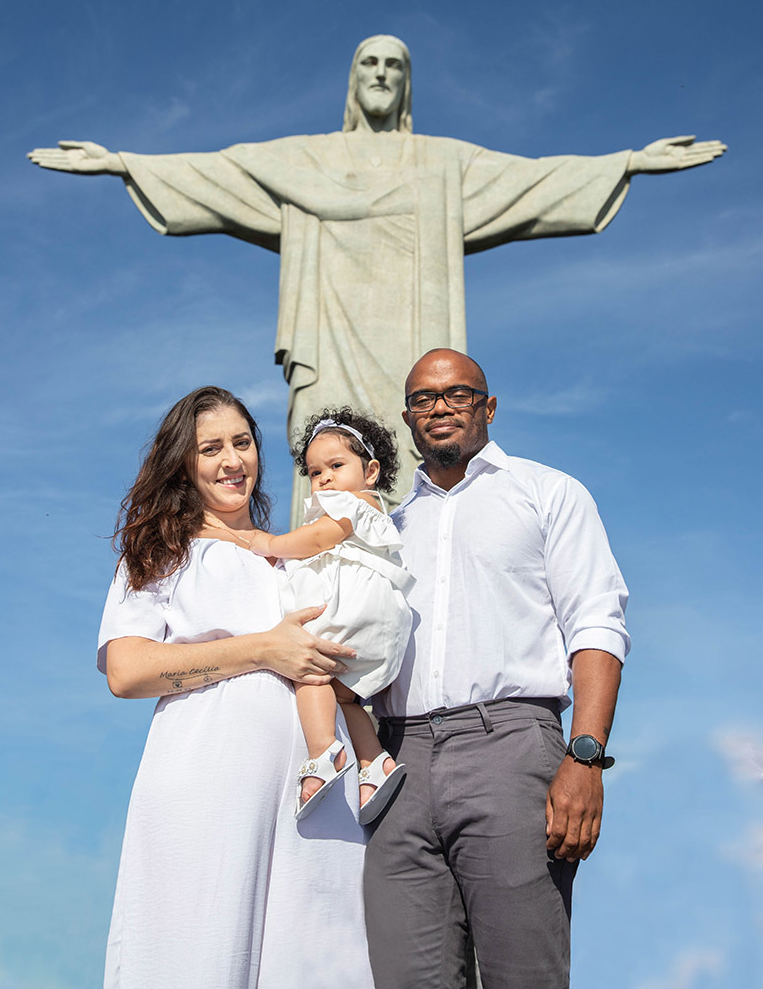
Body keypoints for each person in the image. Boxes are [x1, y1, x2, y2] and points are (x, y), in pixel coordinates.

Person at [27, 35, 726, 518]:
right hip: (329, 344)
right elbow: (222, 171)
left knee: (412, 462)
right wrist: (125, 163)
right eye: (371, 66)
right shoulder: (307, 161)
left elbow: (532, 182)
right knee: (328, 466)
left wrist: (626, 163)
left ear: (407, 82)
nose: (383, 76)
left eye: (395, 66)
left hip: (411, 347)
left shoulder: (441, 165)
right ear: (355, 84)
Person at [363, 349, 631, 989]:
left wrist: (586, 758)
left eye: (457, 393)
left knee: (523, 976)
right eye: (424, 399)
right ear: (408, 417)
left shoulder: (549, 493)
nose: (440, 407)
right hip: (399, 764)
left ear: (487, 406)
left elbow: (597, 624)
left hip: (509, 747)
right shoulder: (387, 528)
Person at [97, 386, 374, 989]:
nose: (232, 460)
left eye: (242, 443)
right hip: (207, 779)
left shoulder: (295, 557)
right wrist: (260, 649)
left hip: (316, 784)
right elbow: (126, 668)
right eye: (211, 448)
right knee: (197, 949)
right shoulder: (163, 551)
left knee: (323, 954)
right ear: (184, 464)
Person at [231, 408, 413, 823]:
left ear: (370, 472)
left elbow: (319, 538)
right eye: (315, 473)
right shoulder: (360, 506)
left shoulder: (353, 505)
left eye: (336, 465)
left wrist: (271, 543)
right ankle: (375, 763)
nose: (325, 478)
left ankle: (323, 753)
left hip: (357, 607)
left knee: (309, 671)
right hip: (376, 622)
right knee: (344, 696)